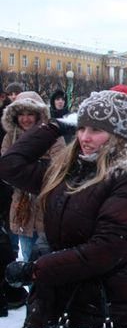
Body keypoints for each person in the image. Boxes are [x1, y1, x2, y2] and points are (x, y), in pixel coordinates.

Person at [0, 89, 127, 328]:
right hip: (52, 304)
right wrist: (55, 125)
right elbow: (10, 166)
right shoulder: (65, 171)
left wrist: (37, 269)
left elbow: (104, 251)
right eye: (82, 127)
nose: (85, 137)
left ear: (118, 136)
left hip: (103, 308)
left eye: (97, 130)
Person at [1, 91, 66, 262]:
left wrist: (23, 169)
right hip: (22, 210)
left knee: (47, 259)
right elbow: (7, 169)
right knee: (27, 258)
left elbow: (58, 168)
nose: (25, 119)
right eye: (21, 114)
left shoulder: (53, 136)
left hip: (46, 207)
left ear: (39, 115)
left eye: (30, 113)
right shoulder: (10, 137)